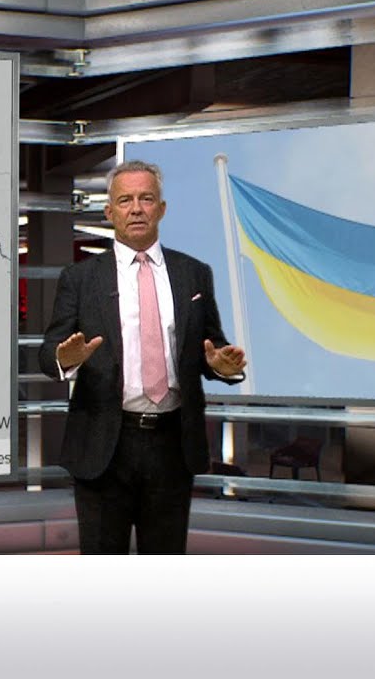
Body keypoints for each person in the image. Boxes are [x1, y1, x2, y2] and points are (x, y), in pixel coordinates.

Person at [39, 159, 247, 554]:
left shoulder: (194, 274)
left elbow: (212, 347)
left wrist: (221, 366)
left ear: (161, 209)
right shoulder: (80, 279)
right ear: (109, 211)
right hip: (103, 447)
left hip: (173, 446)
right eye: (125, 200)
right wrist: (66, 357)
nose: (136, 208)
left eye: (146, 199)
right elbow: (48, 355)